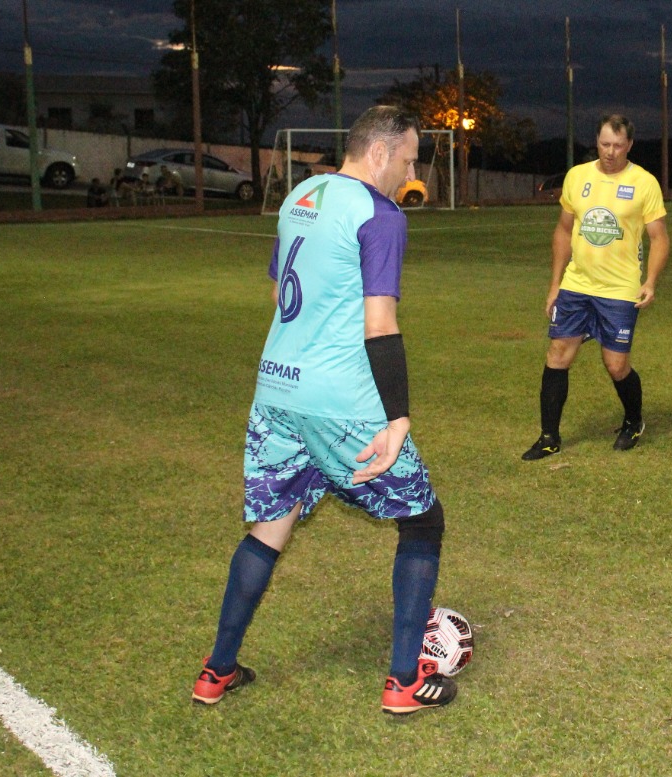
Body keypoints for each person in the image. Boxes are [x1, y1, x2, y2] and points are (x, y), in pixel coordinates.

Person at [191, 105, 458, 716]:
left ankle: (217, 670)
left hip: (276, 390)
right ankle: (403, 682)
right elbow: (380, 324)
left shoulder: (299, 195)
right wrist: (398, 418)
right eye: (411, 158)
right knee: (422, 520)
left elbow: (289, 285)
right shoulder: (380, 214)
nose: (411, 171)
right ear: (382, 152)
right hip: (340, 401)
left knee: (271, 526)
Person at [521, 114, 670, 460]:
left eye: (618, 146)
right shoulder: (577, 176)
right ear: (597, 142)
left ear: (629, 146)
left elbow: (659, 238)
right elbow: (562, 230)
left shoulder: (644, 183)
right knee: (557, 354)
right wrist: (556, 283)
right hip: (577, 284)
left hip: (619, 289)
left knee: (616, 365)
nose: (611, 152)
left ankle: (633, 421)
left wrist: (650, 280)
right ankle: (549, 437)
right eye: (605, 144)